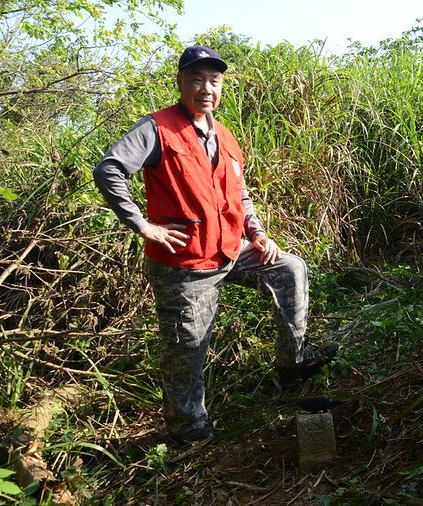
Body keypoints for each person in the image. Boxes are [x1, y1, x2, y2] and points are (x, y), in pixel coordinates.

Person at [93, 45, 339, 442]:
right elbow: (109, 169)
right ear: (180, 83)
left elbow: (239, 194)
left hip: (230, 248)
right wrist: (142, 225)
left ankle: (293, 362)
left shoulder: (223, 134)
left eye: (214, 80)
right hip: (184, 262)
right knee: (187, 346)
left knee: (289, 268)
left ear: (221, 87)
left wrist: (257, 234)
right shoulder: (156, 128)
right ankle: (188, 427)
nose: (206, 88)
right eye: (196, 79)